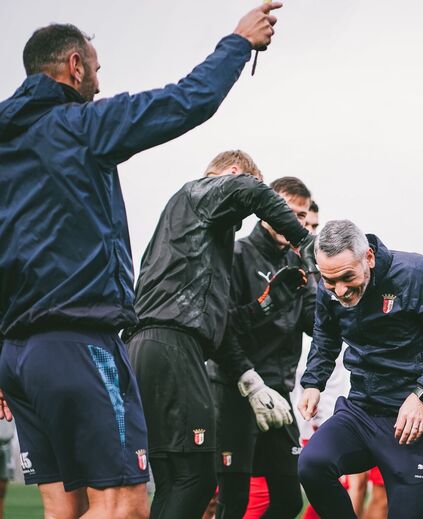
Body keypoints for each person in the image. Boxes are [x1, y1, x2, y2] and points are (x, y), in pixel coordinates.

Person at [0, 5, 281, 518]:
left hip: (18, 356)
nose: (100, 83)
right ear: (74, 66)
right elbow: (186, 100)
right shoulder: (79, 127)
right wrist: (239, 42)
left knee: (64, 509)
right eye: (97, 70)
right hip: (79, 342)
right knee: (124, 506)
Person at [125, 152, 316, 518]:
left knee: (176, 481)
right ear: (231, 174)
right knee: (195, 480)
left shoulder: (200, 234)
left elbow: (221, 324)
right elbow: (249, 192)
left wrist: (268, 303)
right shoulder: (200, 192)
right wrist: (305, 243)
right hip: (172, 345)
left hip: (158, 345)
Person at [296, 219, 423, 518]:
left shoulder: (419, 274)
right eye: (330, 281)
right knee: (312, 464)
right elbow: (326, 334)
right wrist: (313, 382)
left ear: (368, 257)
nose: (339, 291)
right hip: (361, 411)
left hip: (412, 422)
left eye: (347, 277)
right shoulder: (329, 287)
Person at [211, 176, 316, 519]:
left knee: (289, 501)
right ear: (267, 210)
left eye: (302, 216)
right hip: (236, 389)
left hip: (280, 392)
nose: (296, 222)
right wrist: (249, 381)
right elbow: (223, 330)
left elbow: (315, 324)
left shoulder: (300, 264)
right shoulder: (237, 253)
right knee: (232, 502)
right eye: (289, 212)